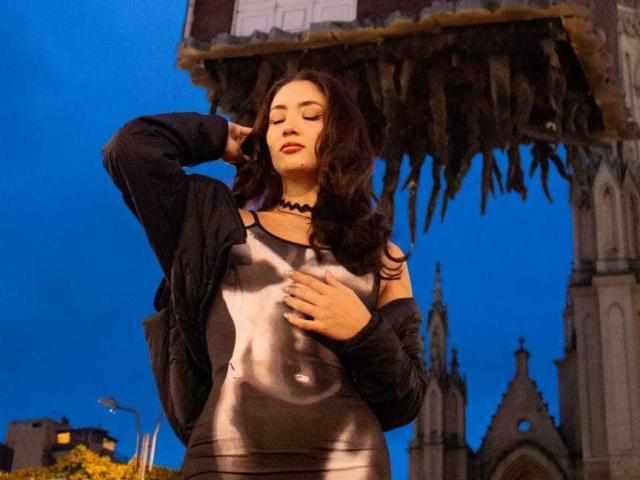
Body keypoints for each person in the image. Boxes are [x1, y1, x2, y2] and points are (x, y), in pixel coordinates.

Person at [102, 68, 427, 479]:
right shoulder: (212, 227)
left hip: (350, 465)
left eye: (311, 115)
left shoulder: (381, 258)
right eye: (276, 119)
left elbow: (406, 400)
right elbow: (130, 149)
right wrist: (221, 137)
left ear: (341, 134)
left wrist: (362, 331)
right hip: (221, 460)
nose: (290, 126)